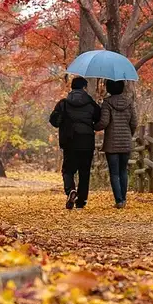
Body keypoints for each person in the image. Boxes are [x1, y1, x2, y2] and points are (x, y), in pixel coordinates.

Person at [49, 77, 101, 210]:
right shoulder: (91, 103)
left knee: (68, 170)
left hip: (70, 141)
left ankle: (71, 190)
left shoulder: (63, 103)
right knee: (84, 172)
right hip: (86, 141)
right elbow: (99, 118)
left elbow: (54, 121)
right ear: (84, 88)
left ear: (71, 88)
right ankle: (81, 201)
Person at [95, 80, 138, 209]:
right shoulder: (129, 102)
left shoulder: (107, 103)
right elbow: (134, 122)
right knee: (123, 171)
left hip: (111, 143)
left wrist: (93, 126)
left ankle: (118, 200)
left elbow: (103, 122)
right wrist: (129, 134)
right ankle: (124, 199)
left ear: (109, 88)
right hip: (125, 142)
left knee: (114, 172)